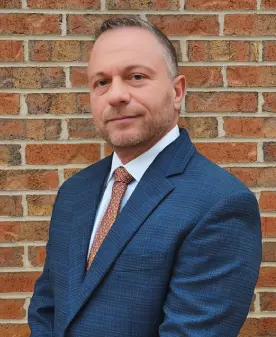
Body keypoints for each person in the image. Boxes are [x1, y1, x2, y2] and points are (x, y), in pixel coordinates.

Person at [28, 17, 262, 337]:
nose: (116, 95)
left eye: (136, 76)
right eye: (101, 82)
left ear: (177, 91)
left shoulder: (220, 203)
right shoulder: (75, 192)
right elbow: (46, 308)